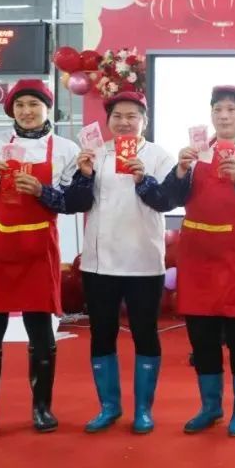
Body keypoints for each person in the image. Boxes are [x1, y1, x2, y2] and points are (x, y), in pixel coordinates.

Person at [0, 79, 94, 444]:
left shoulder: (65, 148)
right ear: (11, 111)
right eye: (20, 105)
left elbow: (76, 201)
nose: (27, 111)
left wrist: (42, 191)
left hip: (37, 248)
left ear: (48, 108)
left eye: (34, 104)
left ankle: (42, 408)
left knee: (41, 329)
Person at [163, 85, 235, 437]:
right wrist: (180, 170)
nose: (224, 116)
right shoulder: (196, 151)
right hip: (198, 255)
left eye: (232, 109)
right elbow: (169, 198)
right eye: (218, 109)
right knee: (201, 336)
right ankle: (210, 406)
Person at [78, 92, 176, 434]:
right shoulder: (94, 153)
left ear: (144, 121)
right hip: (99, 262)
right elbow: (76, 202)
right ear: (108, 121)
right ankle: (109, 407)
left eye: (132, 116)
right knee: (101, 333)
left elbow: (167, 202)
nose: (124, 122)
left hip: (143, 261)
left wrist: (142, 179)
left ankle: (143, 410)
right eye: (117, 116)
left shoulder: (159, 156)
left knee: (145, 333)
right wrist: (84, 174)